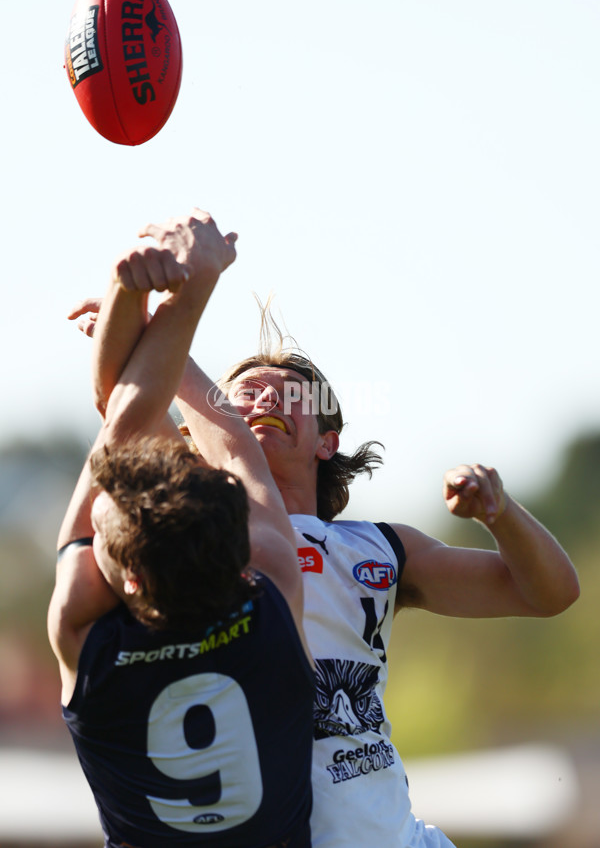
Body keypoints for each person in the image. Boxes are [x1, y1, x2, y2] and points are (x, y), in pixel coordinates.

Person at [71, 219, 580, 848]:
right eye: (243, 393)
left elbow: (551, 594)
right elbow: (119, 408)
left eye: (287, 394)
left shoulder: (381, 548)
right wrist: (145, 330)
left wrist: (502, 515)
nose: (260, 400)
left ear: (327, 440)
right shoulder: (192, 542)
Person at [49, 211, 315, 848]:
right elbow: (150, 424)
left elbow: (124, 414)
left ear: (128, 578)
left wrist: (148, 292)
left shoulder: (87, 637)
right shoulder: (277, 585)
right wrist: (164, 289)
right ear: (236, 552)